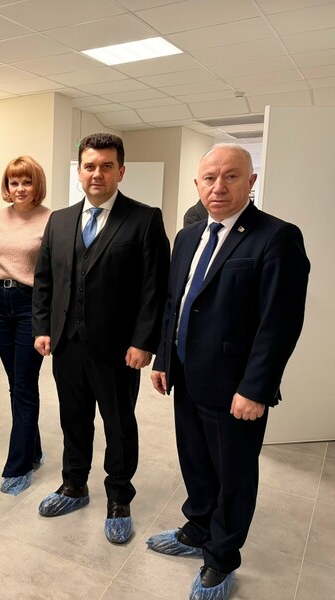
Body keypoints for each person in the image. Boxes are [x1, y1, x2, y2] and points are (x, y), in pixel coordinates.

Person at [147, 144, 309, 600]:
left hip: (236, 388)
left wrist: (256, 388)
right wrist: (164, 359)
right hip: (186, 376)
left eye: (231, 176)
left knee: (233, 475)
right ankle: (197, 528)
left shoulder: (276, 237)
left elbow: (280, 323)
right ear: (197, 184)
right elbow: (175, 303)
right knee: (195, 460)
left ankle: (221, 558)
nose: (218, 187)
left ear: (251, 181)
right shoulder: (188, 236)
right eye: (209, 178)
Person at [32, 132, 169, 544]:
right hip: (67, 344)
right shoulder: (59, 220)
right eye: (90, 166)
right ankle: (74, 484)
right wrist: (42, 327)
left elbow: (154, 288)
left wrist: (144, 342)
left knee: (118, 424)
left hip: (118, 350)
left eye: (106, 166)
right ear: (79, 172)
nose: (97, 173)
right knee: (73, 419)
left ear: (120, 172)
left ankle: (119, 498)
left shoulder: (144, 219)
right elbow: (45, 279)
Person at [0, 156, 51, 495]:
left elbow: (54, 272)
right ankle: (34, 450)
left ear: (36, 185)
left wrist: (47, 321)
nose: (20, 188)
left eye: (27, 182)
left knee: (25, 385)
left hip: (31, 306)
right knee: (16, 383)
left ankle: (19, 465)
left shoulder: (51, 219)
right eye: (14, 182)